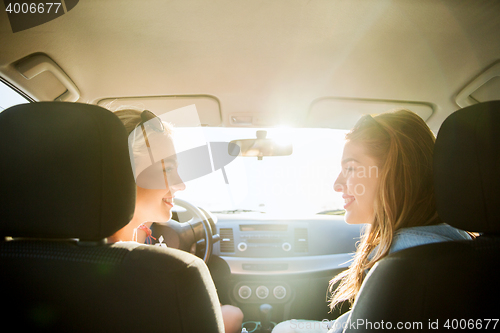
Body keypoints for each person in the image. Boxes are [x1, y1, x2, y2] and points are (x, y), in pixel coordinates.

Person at [272, 109, 471, 333]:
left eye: (350, 168)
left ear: (393, 175)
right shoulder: (462, 241)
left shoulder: (400, 260)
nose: (337, 184)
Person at [108, 108, 244, 333]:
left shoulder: (45, 259)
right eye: (167, 168)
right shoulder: (176, 272)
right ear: (121, 172)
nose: (181, 184)